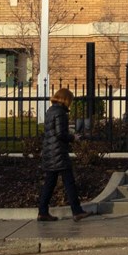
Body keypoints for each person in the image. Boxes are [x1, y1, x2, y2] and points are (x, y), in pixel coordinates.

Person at [37, 87, 91, 222]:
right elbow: (60, 133)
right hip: (59, 153)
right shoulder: (60, 113)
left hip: (50, 152)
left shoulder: (50, 111)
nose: (71, 103)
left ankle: (42, 212)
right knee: (69, 182)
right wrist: (73, 138)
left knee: (49, 183)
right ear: (66, 99)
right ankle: (77, 211)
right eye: (70, 100)